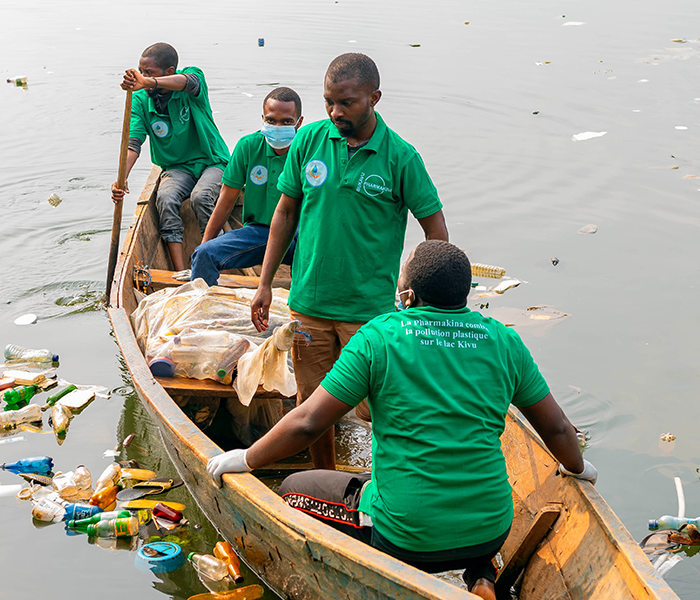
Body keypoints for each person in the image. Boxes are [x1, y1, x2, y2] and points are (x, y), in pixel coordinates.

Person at [210, 241, 599, 600]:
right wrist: (578, 468)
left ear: (408, 295)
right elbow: (558, 428)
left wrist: (246, 458)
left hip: (405, 537)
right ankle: (481, 575)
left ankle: (362, 574)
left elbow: (309, 422)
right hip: (491, 530)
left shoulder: (379, 336)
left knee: (294, 488)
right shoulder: (503, 340)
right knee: (447, 497)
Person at [249, 53, 449, 470]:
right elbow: (285, 213)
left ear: (374, 97)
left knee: (380, 407)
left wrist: (424, 298)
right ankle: (327, 483)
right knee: (311, 407)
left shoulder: (400, 157)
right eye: (329, 102)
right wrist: (265, 282)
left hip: (370, 313)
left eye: (348, 102)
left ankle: (387, 486)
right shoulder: (309, 141)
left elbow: (436, 232)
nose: (336, 112)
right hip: (310, 306)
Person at [111, 42, 231, 272]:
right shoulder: (140, 100)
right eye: (141, 71)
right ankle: (179, 272)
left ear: (169, 72)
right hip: (177, 167)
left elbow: (189, 82)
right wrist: (121, 179)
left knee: (201, 197)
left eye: (149, 72)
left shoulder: (192, 78)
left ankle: (215, 263)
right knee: (165, 197)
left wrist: (147, 82)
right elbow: (134, 143)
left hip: (212, 161)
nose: (143, 78)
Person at [189, 87, 304, 286]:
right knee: (204, 255)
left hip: (300, 234)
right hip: (260, 233)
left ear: (299, 123)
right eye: (271, 120)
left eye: (286, 122)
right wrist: (204, 246)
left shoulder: (308, 149)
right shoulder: (248, 146)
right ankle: (206, 312)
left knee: (312, 269)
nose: (277, 126)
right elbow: (225, 203)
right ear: (263, 119)